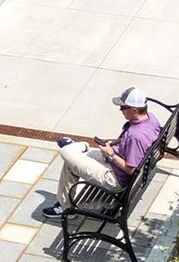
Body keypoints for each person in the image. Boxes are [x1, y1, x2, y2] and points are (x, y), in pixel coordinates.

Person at [38, 88, 161, 221]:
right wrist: (119, 141)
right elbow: (140, 143)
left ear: (134, 110)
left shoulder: (136, 136)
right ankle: (65, 199)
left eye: (123, 108)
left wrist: (111, 154)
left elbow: (131, 169)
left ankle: (67, 207)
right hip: (114, 163)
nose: (120, 110)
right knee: (71, 161)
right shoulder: (150, 119)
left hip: (114, 178)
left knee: (65, 152)